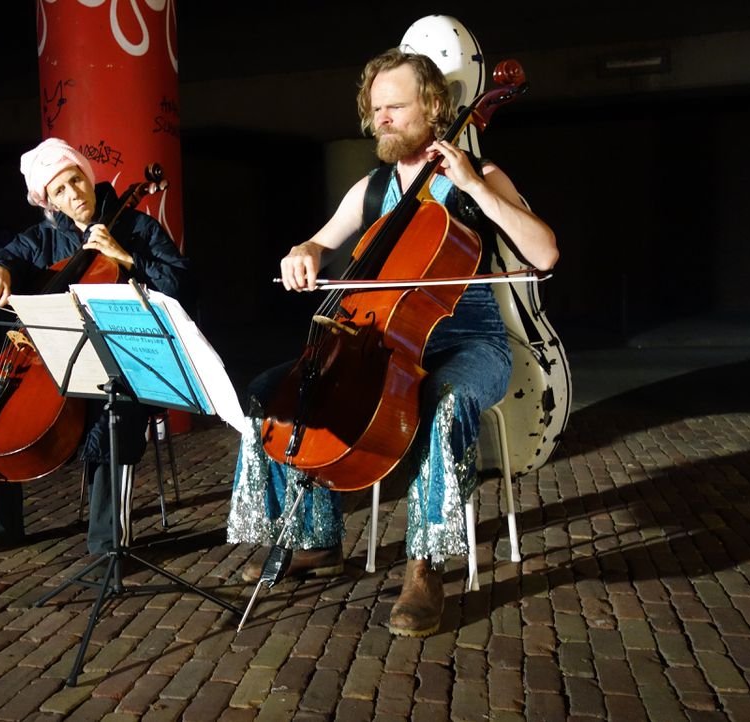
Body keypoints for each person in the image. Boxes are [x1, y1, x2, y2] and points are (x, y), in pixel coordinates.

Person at [226, 48, 557, 637]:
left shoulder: (481, 178)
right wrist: (304, 252)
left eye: (395, 108)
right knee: (269, 391)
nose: (382, 120)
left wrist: (474, 187)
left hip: (469, 344)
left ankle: (424, 566)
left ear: (433, 106)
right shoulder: (373, 188)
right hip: (381, 343)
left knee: (445, 400)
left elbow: (545, 253)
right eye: (375, 109)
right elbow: (319, 244)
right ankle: (314, 539)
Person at [0, 137, 191, 555]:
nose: (73, 195)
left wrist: (128, 262)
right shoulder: (41, 240)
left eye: (75, 181)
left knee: (118, 413)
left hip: (116, 357)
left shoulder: (139, 229)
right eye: (59, 191)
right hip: (47, 356)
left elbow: (180, 287)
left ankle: (109, 543)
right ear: (49, 202)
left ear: (87, 177)